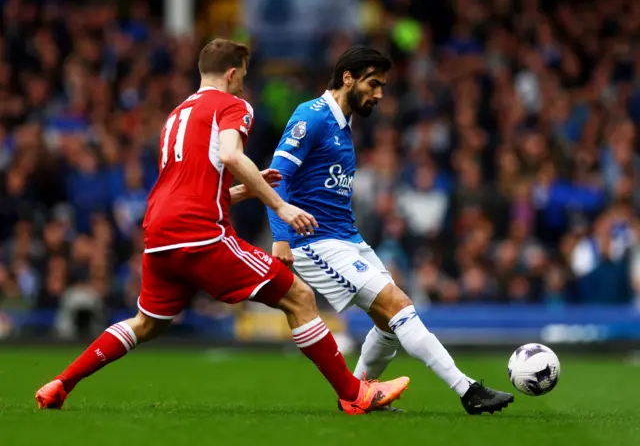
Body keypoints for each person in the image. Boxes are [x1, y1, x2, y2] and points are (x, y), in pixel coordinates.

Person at [36, 39, 409, 415]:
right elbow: (231, 154)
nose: (244, 85)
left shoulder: (177, 115)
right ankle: (354, 394)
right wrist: (279, 204)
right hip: (200, 232)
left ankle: (61, 383)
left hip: (159, 232)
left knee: (145, 323)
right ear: (231, 74)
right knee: (298, 296)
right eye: (243, 77)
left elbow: (186, 187)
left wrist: (243, 191)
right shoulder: (233, 106)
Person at [268, 47, 513, 415]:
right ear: (347, 78)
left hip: (347, 238)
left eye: (382, 86)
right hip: (314, 241)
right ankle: (468, 390)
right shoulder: (312, 116)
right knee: (398, 306)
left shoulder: (342, 124)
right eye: (373, 84)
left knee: (388, 324)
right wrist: (281, 237)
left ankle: (356, 397)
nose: (379, 94)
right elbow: (275, 176)